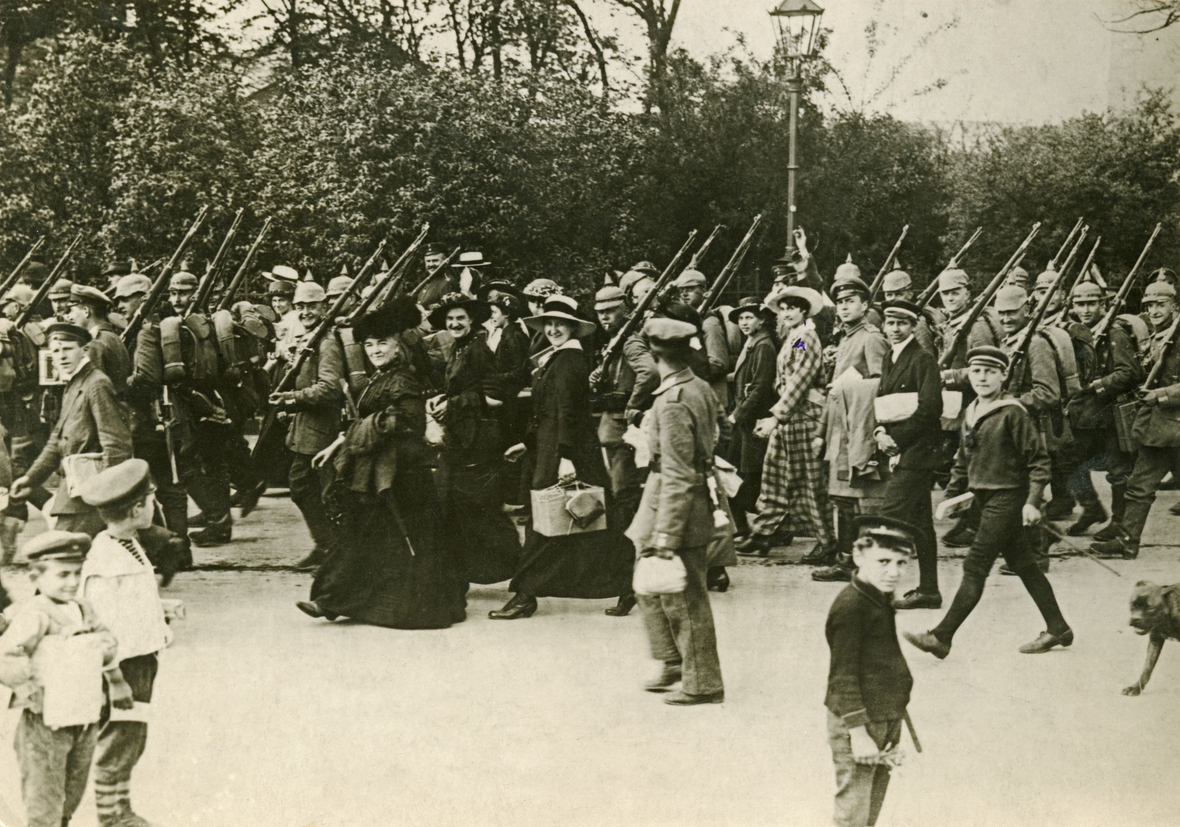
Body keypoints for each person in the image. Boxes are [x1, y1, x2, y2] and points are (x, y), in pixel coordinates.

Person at [296, 301, 467, 628]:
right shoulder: (383, 376)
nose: (375, 349)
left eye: (382, 343)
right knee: (366, 537)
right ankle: (330, 601)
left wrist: (360, 431)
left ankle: (334, 601)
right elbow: (368, 419)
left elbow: (407, 422)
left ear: (398, 345)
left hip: (402, 475)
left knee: (389, 540)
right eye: (370, 344)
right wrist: (337, 444)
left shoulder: (402, 379)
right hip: (382, 471)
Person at [905, 346, 1073, 659]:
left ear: (1003, 375)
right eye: (976, 371)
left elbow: (1038, 460)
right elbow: (963, 461)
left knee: (975, 564)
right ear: (968, 374)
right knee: (1024, 564)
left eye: (990, 371)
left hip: (1009, 498)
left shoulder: (1013, 412)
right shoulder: (970, 412)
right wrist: (951, 495)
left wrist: (1033, 501)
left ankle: (941, 637)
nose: (981, 378)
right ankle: (1058, 626)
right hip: (985, 499)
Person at [491, 295, 634, 619]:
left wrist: (566, 458)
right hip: (554, 448)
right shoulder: (558, 358)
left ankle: (525, 595)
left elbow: (569, 412)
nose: (554, 329)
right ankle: (630, 582)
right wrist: (528, 443)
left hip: (565, 452)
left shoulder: (569, 361)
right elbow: (548, 411)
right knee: (594, 520)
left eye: (561, 324)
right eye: (549, 323)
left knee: (550, 521)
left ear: (573, 328)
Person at [629, 317, 724, 705]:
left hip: (674, 501)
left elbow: (678, 472)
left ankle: (702, 682)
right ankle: (671, 659)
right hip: (669, 496)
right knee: (649, 585)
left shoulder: (673, 401)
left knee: (683, 595)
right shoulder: (696, 387)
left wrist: (666, 534)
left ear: (654, 356)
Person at [0, 530, 123, 827]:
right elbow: (8, 655)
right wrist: (30, 692)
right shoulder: (35, 613)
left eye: (76, 573)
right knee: (44, 795)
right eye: (62, 574)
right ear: (35, 579)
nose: (71, 582)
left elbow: (107, 640)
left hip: (84, 713)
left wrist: (102, 646)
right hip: (47, 721)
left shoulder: (83, 608)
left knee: (72, 789)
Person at [78, 459, 174, 827]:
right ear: (136, 509)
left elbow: (131, 601)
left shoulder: (126, 545)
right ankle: (112, 815)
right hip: (123, 666)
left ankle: (119, 807)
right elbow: (97, 624)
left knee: (132, 737)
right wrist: (114, 678)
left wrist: (162, 607)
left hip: (140, 659)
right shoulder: (105, 563)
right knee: (120, 739)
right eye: (151, 500)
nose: (154, 505)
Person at [824, 515, 917, 827]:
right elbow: (842, 678)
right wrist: (858, 733)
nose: (894, 572)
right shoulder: (851, 607)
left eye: (902, 563)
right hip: (861, 721)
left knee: (870, 806)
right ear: (858, 555)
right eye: (884, 561)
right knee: (854, 810)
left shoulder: (878, 596)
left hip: (885, 714)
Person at [736, 286, 835, 558]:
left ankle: (827, 543)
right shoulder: (796, 336)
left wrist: (775, 416)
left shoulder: (807, 336)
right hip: (789, 416)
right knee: (774, 476)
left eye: (793, 307)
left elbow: (800, 380)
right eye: (783, 308)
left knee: (810, 482)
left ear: (804, 310)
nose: (787, 312)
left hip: (804, 416)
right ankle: (763, 534)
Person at [429, 292, 520, 585]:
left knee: (480, 507)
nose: (455, 323)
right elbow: (466, 387)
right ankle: (459, 574)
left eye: (461, 318)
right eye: (450, 319)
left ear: (471, 321)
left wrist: (454, 404)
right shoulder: (458, 348)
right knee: (456, 505)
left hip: (478, 441)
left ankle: (518, 566)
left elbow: (496, 397)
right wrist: (444, 397)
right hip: (461, 437)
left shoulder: (478, 349)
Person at [11, 322, 133, 536]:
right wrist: (31, 479)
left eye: (68, 349)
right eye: (56, 351)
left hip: (92, 490)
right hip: (78, 488)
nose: (61, 356)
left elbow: (117, 445)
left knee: (63, 551)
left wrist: (111, 497)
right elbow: (56, 442)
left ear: (85, 350)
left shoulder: (96, 384)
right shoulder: (74, 385)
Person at [1092, 280, 1180, 559]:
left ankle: (1128, 541)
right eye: (1149, 306)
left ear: (1174, 306)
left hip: (1170, 420)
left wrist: (1160, 395)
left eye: (1160, 304)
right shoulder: (1160, 335)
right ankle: (1128, 541)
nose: (1154, 311)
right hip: (1162, 426)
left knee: (1140, 485)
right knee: (1139, 484)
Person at [814, 277, 890, 582]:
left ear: (865, 305)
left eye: (851, 301)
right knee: (843, 497)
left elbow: (880, 385)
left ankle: (853, 562)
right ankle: (849, 560)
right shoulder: (846, 337)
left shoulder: (871, 338)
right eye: (841, 302)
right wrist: (822, 430)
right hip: (840, 427)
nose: (844, 307)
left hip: (858, 427)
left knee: (857, 497)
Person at [872, 300, 944, 609]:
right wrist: (879, 433)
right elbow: (882, 401)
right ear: (884, 326)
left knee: (889, 517)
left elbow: (930, 409)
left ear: (914, 326)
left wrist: (895, 441)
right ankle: (929, 590)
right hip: (898, 447)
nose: (896, 328)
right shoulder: (890, 356)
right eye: (891, 323)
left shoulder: (923, 358)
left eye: (902, 323)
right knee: (920, 523)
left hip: (918, 451)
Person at [270, 281, 345, 569]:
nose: (305, 311)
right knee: (303, 487)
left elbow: (329, 389)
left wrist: (292, 398)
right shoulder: (311, 338)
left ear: (324, 306)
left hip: (322, 430)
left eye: (311, 306)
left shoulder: (326, 343)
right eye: (300, 306)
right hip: (307, 428)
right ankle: (326, 544)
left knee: (321, 492)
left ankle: (332, 550)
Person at [1063, 280, 1141, 537]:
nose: (1085, 309)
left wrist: (1095, 386)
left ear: (1103, 304)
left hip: (1111, 415)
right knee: (1070, 464)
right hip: (1085, 416)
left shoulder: (1114, 332)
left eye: (1091, 303)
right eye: (1080, 304)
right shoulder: (1076, 331)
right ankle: (1092, 509)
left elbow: (1128, 373)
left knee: (1118, 473)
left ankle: (1119, 525)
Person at [994, 285, 1062, 573]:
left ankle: (1036, 557)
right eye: (1002, 314)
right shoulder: (1009, 341)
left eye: (1012, 312)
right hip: (1011, 427)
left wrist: (1011, 402)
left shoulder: (1035, 343)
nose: (1007, 318)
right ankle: (1038, 542)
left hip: (1030, 428)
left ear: (1027, 310)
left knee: (1027, 490)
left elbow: (1048, 393)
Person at [935, 267, 1002, 549]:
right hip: (956, 404)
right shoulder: (954, 321)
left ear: (968, 292)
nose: (950, 298)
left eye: (955, 292)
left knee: (976, 467)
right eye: (945, 293)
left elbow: (985, 369)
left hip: (975, 403)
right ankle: (970, 520)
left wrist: (949, 376)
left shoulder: (977, 326)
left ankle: (976, 525)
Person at [589, 284, 658, 531]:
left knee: (623, 490)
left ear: (626, 310)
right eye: (600, 312)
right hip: (615, 425)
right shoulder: (617, 340)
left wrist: (633, 405)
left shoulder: (630, 340)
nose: (605, 317)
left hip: (622, 427)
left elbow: (649, 373)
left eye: (611, 311)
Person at [725, 296, 778, 541]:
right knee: (735, 474)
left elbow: (760, 387)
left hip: (753, 421)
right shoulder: (752, 343)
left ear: (762, 319)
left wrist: (736, 415)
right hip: (745, 421)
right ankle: (743, 528)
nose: (744, 322)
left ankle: (770, 527)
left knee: (749, 478)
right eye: (741, 318)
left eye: (749, 317)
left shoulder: (764, 345)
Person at [68, 285, 131, 390]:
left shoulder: (96, 343)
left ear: (86, 311)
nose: (69, 317)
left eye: (72, 311)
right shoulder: (113, 337)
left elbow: (93, 389)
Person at [880, 266, 941, 357]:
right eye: (889, 295)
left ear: (910, 294)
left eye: (899, 294)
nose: (893, 299)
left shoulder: (918, 323)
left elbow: (925, 359)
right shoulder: (886, 321)